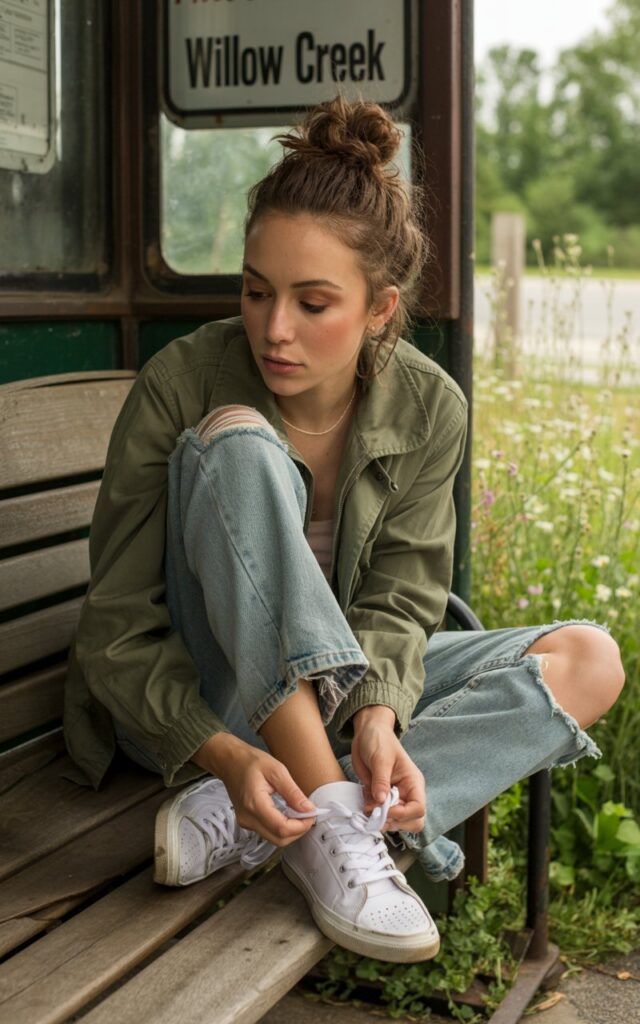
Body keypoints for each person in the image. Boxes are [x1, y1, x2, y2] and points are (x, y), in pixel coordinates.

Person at [64, 96, 625, 964]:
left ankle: (276, 822)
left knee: (590, 659)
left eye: (312, 302)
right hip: (196, 703)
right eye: (255, 292)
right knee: (240, 441)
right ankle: (328, 820)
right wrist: (219, 749)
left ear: (378, 308)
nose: (274, 328)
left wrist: (379, 717)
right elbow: (115, 628)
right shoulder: (185, 381)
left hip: (337, 700)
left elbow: (404, 596)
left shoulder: (429, 403)